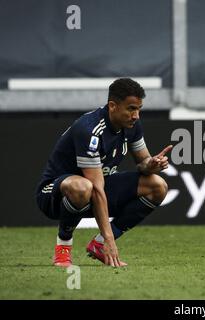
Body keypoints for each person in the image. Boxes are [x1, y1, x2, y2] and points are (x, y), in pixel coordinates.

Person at [36, 78, 172, 268]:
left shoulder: (131, 126)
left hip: (95, 189)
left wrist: (153, 164)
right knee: (83, 187)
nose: (136, 115)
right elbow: (97, 189)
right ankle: (63, 247)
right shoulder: (90, 130)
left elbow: (142, 163)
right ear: (112, 106)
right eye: (131, 108)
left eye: (139, 109)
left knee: (157, 186)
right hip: (54, 194)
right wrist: (111, 239)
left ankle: (98, 244)